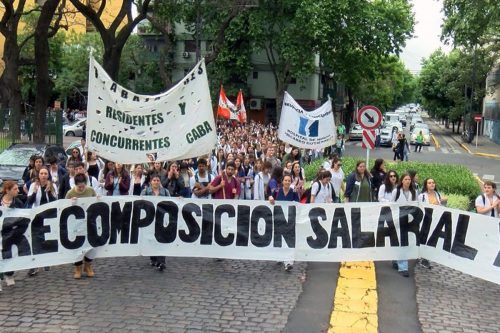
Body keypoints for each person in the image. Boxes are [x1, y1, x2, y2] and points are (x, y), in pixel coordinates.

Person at [26, 166, 57, 276]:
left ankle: (46, 261)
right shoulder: (34, 185)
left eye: (45, 174)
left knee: (46, 239)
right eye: (41, 173)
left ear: (48, 175)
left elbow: (55, 201)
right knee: (35, 240)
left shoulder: (52, 186)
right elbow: (29, 201)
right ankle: (34, 265)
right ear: (38, 175)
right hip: (37, 216)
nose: (43, 175)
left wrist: (48, 191)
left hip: (48, 216)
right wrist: (34, 192)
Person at [65, 173, 97, 279]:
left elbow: (96, 203)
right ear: (75, 185)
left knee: (91, 245)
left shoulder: (90, 190)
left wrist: (98, 199)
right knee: (77, 246)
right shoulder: (70, 193)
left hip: (89, 222)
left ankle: (88, 266)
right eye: (80, 187)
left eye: (83, 186)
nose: (82, 188)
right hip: (76, 224)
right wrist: (70, 203)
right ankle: (78, 267)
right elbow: (63, 208)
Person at [268, 174, 299, 271]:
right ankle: (279, 255)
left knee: (288, 240)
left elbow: (297, 204)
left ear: (291, 182)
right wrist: (270, 198)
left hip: (289, 220)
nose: (287, 182)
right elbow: (270, 199)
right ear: (282, 181)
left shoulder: (293, 192)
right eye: (285, 180)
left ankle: (288, 262)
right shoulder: (277, 191)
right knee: (279, 238)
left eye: (289, 181)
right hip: (279, 218)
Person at [141, 173, 171, 270]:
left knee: (161, 239)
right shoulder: (145, 191)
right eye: (154, 180)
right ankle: (153, 258)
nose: (156, 182)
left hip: (161, 218)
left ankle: (161, 261)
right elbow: (139, 202)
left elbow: (171, 202)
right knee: (151, 239)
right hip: (150, 218)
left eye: (158, 180)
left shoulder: (165, 192)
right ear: (150, 182)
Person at [391, 172, 418, 277]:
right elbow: (391, 205)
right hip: (399, 220)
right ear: (402, 180)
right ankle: (403, 267)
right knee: (402, 241)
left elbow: (417, 205)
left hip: (409, 220)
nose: (408, 181)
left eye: (409, 180)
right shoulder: (396, 191)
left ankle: (396, 260)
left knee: (405, 242)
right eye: (406, 179)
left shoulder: (414, 192)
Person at [0, 181, 24, 288]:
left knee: (10, 253)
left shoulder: (18, 203)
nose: (18, 191)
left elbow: (23, 216)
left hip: (11, 233)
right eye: (15, 189)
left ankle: (9, 274)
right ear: (7, 190)